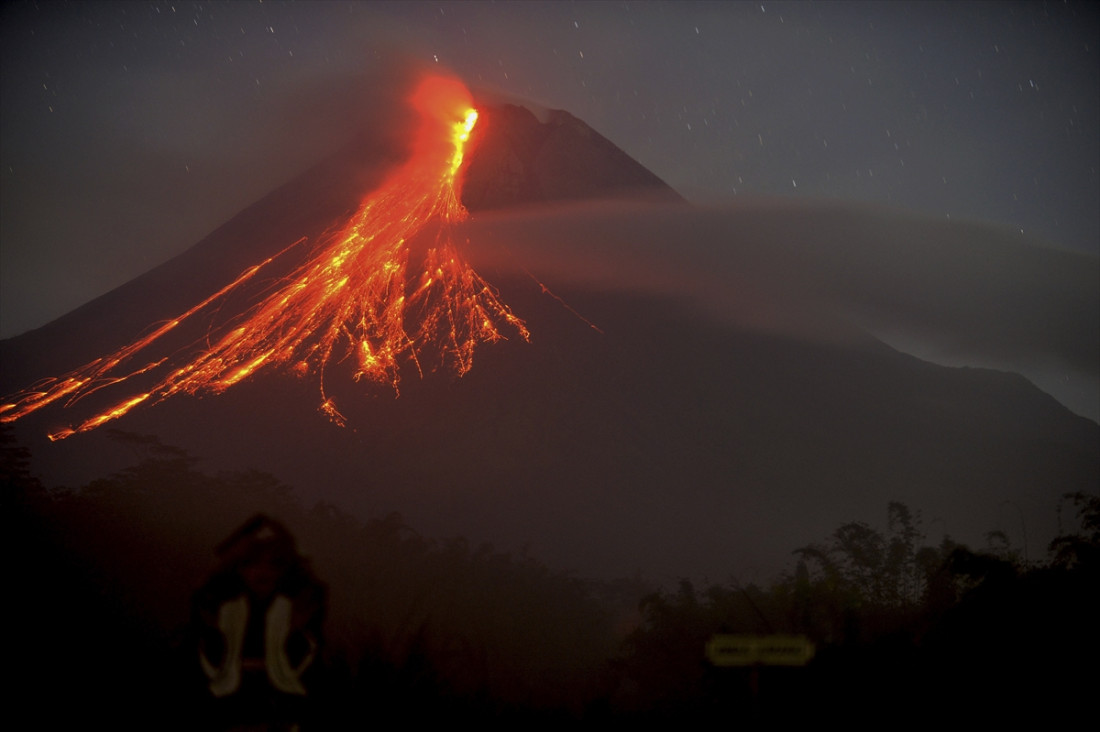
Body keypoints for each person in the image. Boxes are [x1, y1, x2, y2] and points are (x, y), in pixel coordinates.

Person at [192, 514, 325, 731]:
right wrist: (245, 534)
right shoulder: (228, 609)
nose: (262, 571)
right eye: (251, 564)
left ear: (282, 572)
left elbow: (313, 586)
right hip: (232, 697)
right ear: (241, 570)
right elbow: (204, 589)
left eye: (273, 565)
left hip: (279, 698)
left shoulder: (290, 609)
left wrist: (284, 535)